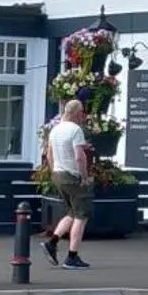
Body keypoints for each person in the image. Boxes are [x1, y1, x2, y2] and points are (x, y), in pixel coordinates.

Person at [42, 99, 94, 270]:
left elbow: (49, 154)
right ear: (76, 113)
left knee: (71, 212)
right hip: (73, 176)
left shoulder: (55, 129)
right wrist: (84, 177)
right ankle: (72, 256)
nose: (82, 117)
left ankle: (52, 242)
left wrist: (54, 171)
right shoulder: (75, 129)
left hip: (58, 174)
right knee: (81, 216)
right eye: (81, 113)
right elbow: (80, 157)